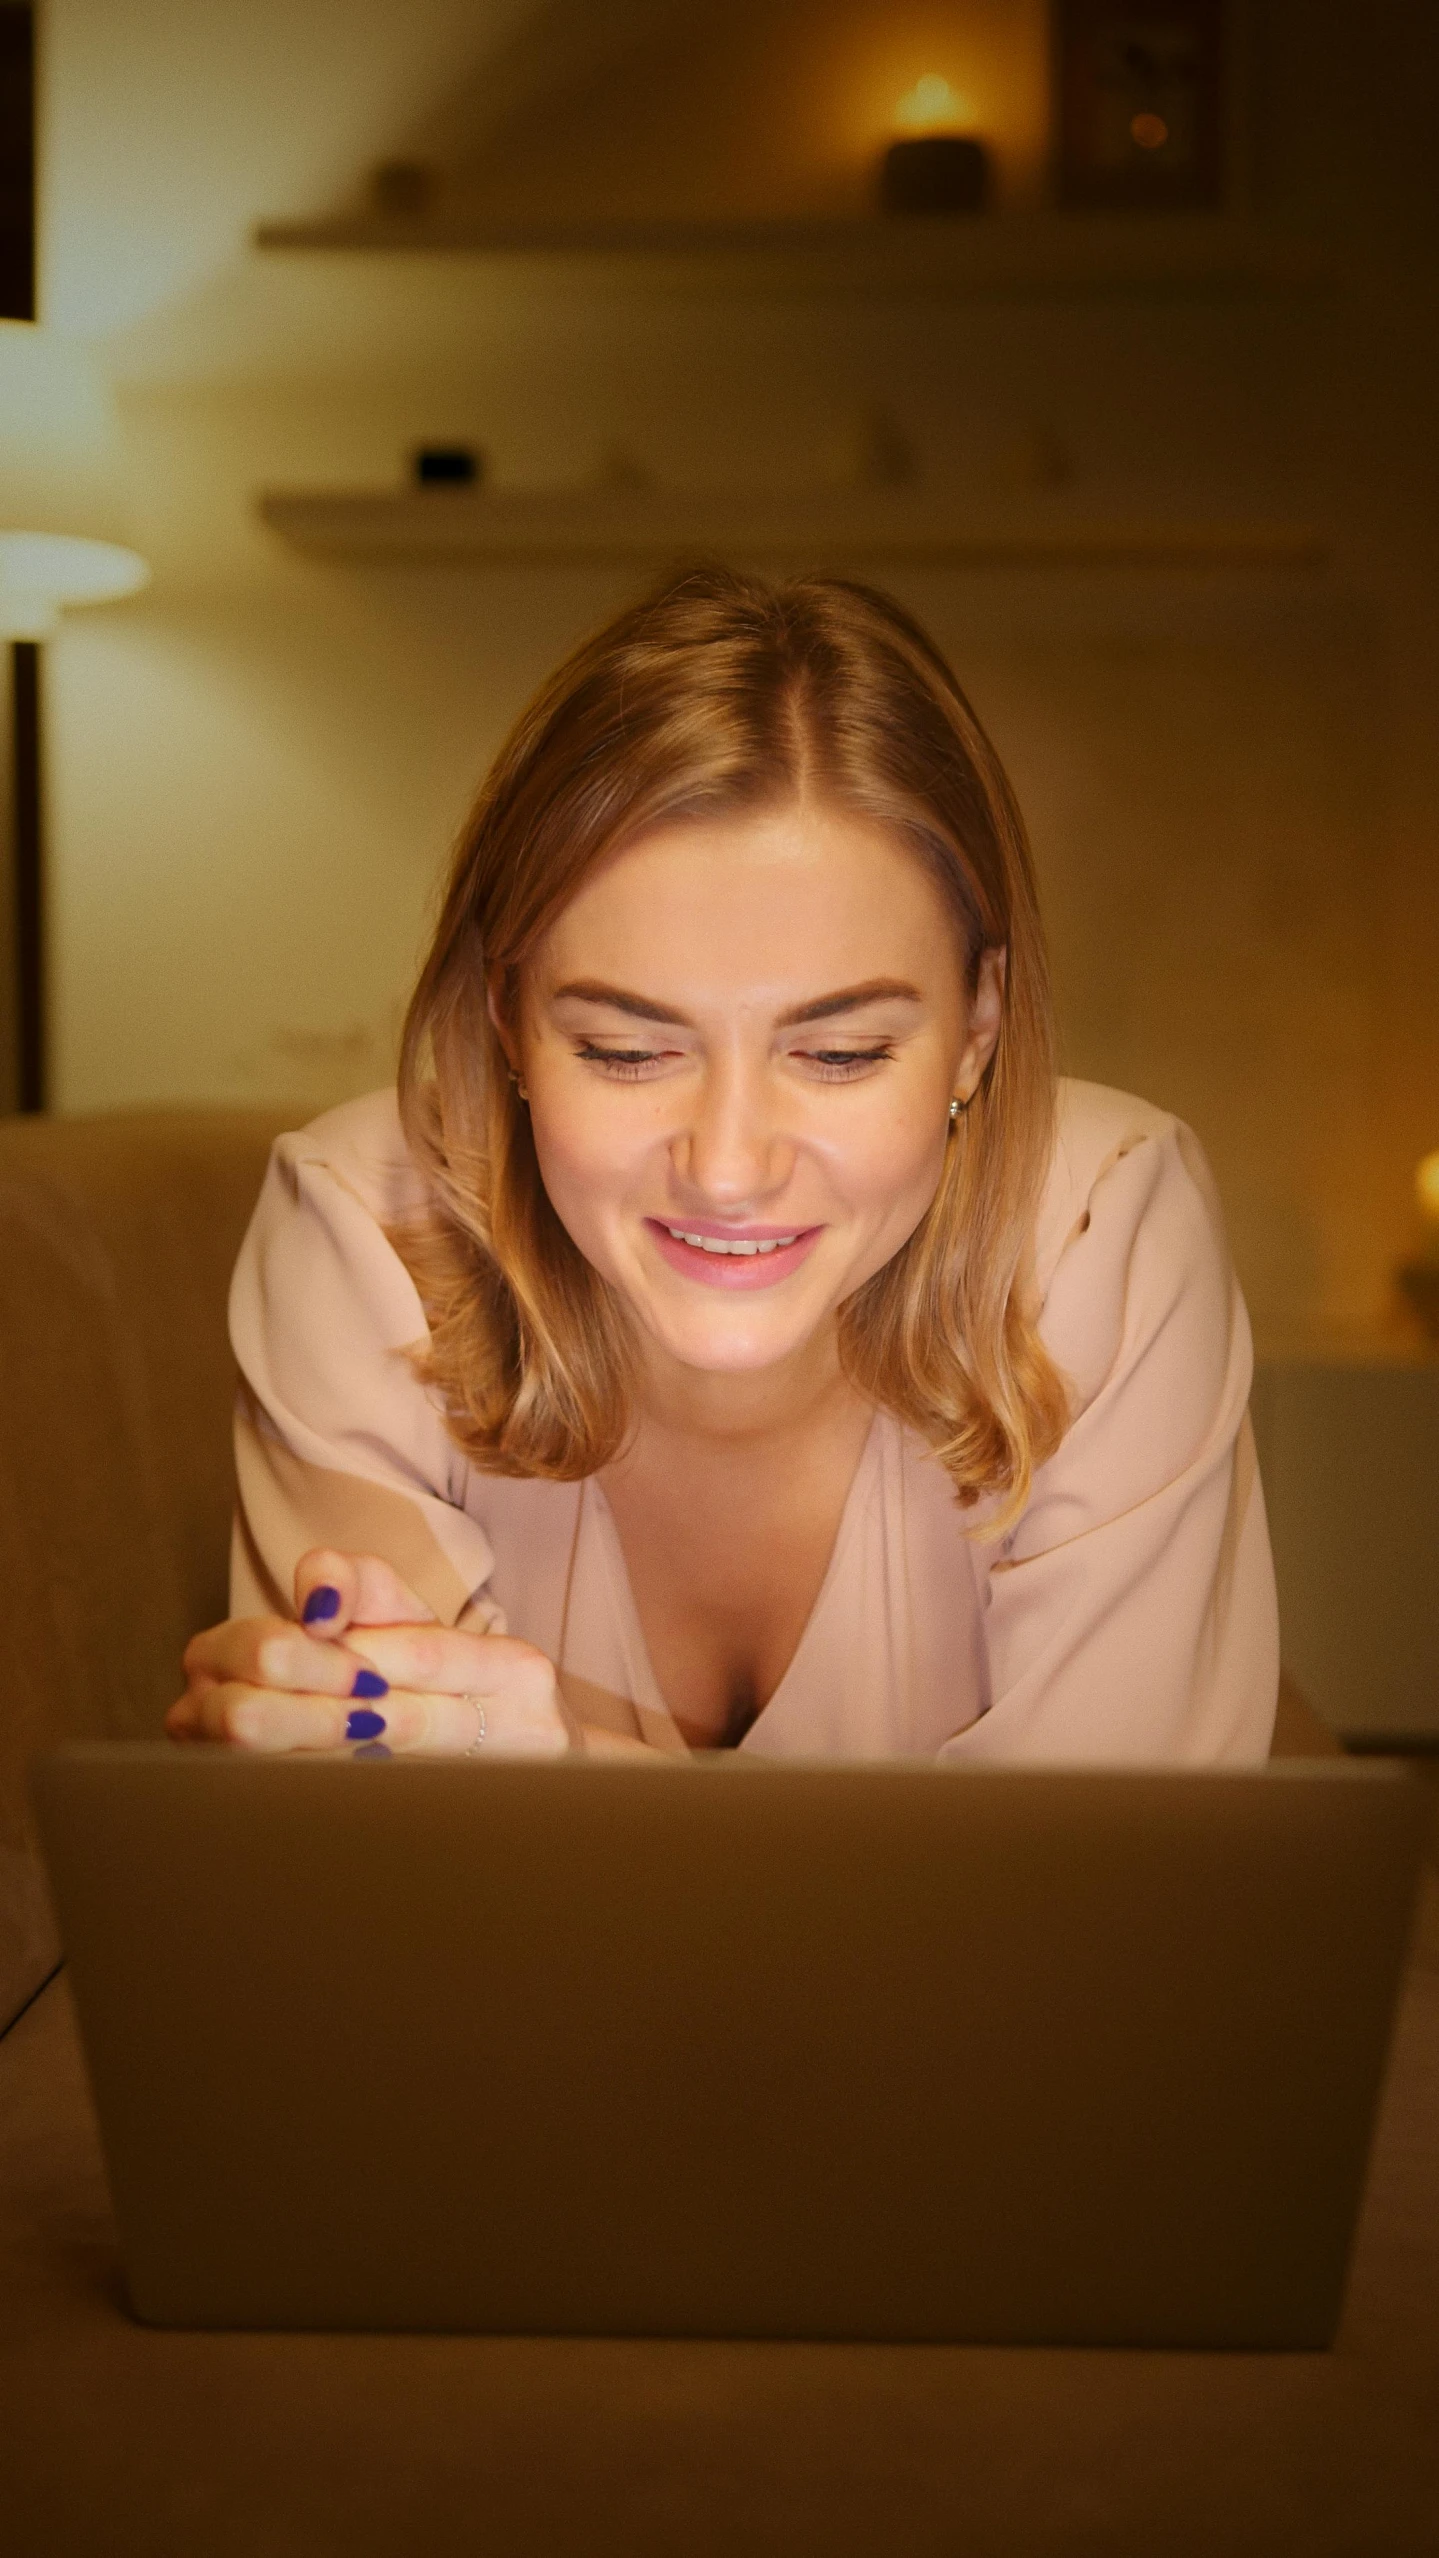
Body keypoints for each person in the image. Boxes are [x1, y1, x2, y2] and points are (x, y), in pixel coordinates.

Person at [169, 567, 1278, 1764]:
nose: (729, 1166)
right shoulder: (361, 1221)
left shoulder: (1102, 1223)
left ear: (976, 1027)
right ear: (507, 1022)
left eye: (841, 1051)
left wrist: (569, 1777)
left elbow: (1103, 1910)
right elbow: (378, 1881)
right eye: (626, 1049)